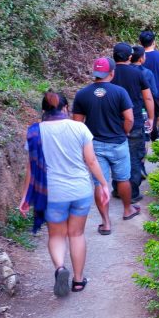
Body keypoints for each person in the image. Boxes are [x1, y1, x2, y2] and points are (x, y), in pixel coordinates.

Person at [20, 91, 110, 296]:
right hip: (80, 190)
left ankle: (60, 268)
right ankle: (78, 281)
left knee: (57, 235)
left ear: (43, 111)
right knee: (76, 234)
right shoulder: (79, 128)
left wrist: (26, 196)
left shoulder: (35, 131)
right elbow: (91, 161)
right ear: (66, 108)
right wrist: (103, 184)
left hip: (53, 194)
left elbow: (31, 168)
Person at [72, 57, 137, 234]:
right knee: (123, 178)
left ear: (95, 73)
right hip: (118, 143)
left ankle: (106, 223)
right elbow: (129, 118)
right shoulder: (120, 92)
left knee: (100, 183)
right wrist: (125, 132)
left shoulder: (82, 94)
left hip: (94, 146)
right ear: (112, 73)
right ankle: (127, 210)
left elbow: (78, 124)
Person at [111, 43, 154, 204]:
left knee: (117, 157)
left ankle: (117, 189)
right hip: (134, 121)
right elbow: (148, 97)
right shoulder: (137, 74)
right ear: (130, 57)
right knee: (134, 157)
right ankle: (133, 193)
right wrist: (150, 118)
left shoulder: (109, 74)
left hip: (114, 123)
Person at [132, 44, 157, 181]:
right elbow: (152, 93)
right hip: (143, 110)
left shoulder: (122, 71)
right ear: (141, 58)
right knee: (145, 138)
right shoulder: (146, 73)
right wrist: (152, 116)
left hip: (126, 111)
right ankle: (141, 165)